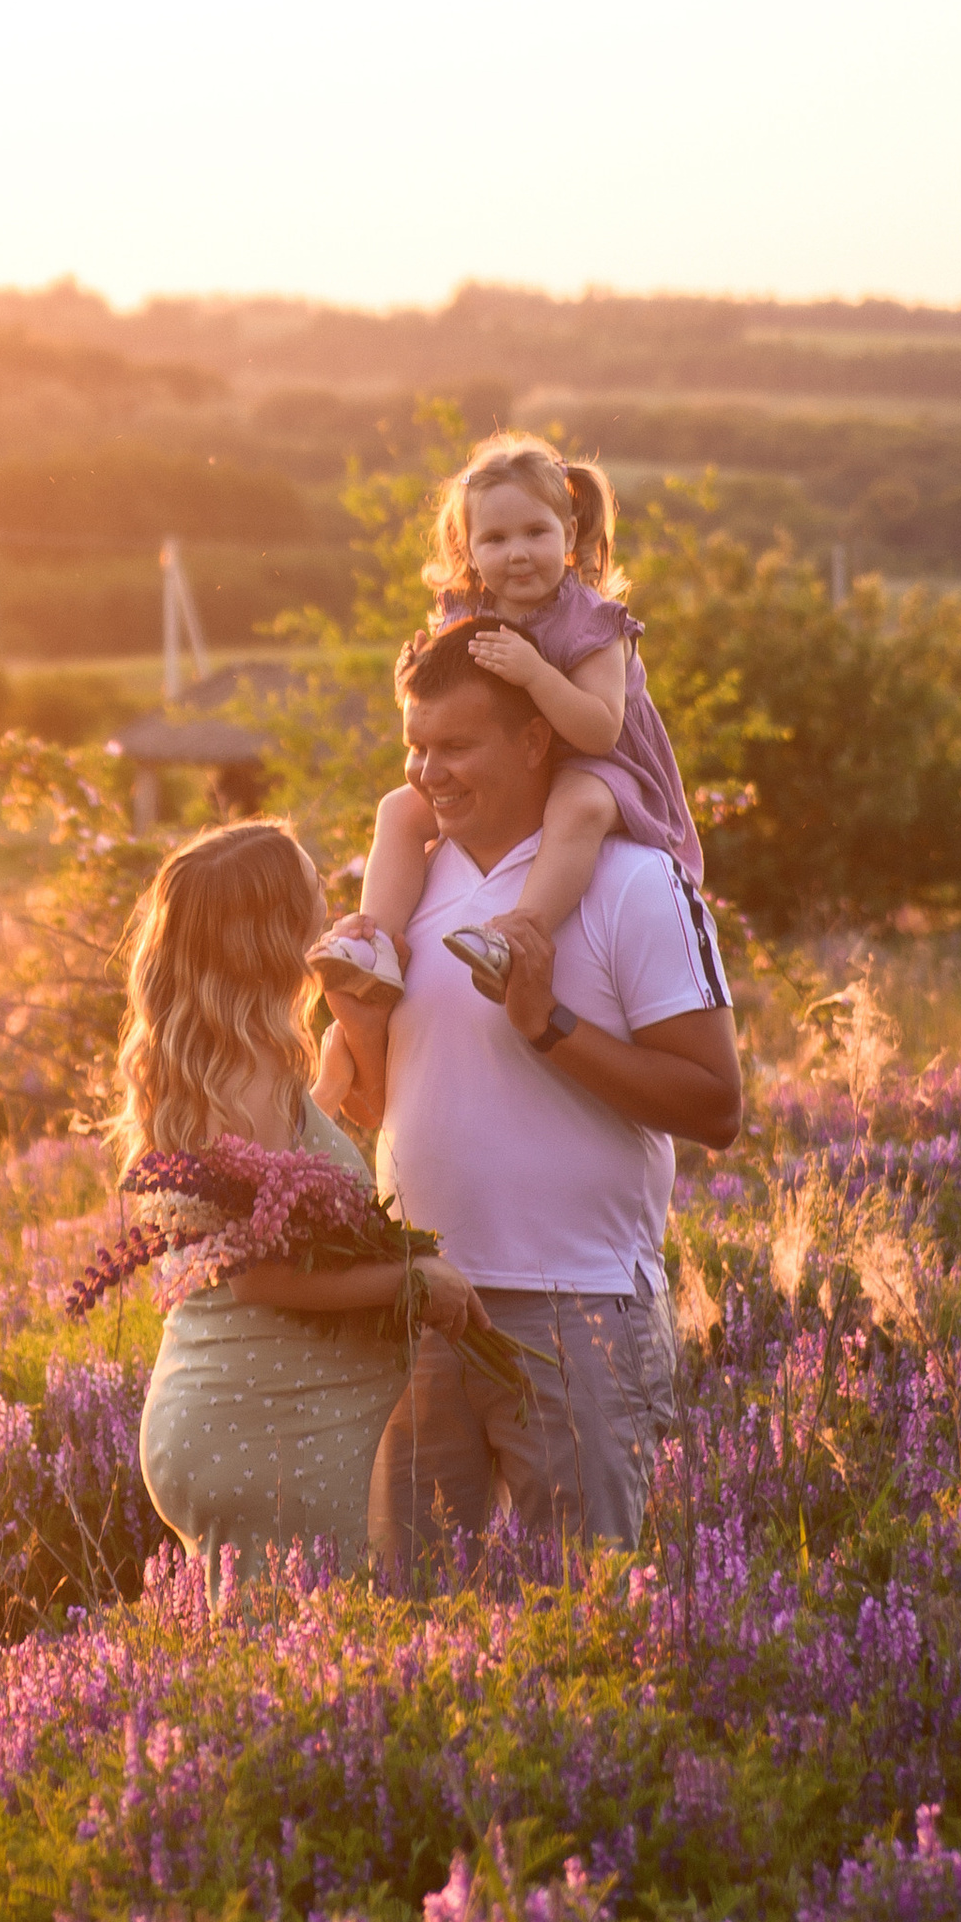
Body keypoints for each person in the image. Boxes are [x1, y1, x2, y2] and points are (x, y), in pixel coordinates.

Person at [324, 620, 741, 1565]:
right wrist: (358, 1032)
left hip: (579, 1312)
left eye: (456, 746)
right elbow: (382, 1109)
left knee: (582, 1631)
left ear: (534, 740)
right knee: (410, 1627)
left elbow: (719, 1106)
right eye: (416, 746)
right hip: (423, 1306)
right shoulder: (404, 892)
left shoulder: (634, 881)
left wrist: (547, 1023)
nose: (429, 772)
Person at [122, 817, 485, 1594]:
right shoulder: (248, 1081)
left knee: (260, 1669)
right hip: (271, 1427)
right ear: (270, 935)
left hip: (226, 1413)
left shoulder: (221, 1067)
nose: (326, 917)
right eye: (312, 905)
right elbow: (257, 1275)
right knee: (284, 1684)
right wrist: (416, 1280)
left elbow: (272, 1185)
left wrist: (322, 1086)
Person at [314, 434, 701, 1009]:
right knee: (399, 808)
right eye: (495, 539)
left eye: (535, 533)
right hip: (516, 762)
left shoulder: (594, 623)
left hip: (594, 761)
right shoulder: (469, 610)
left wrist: (536, 674)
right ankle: (377, 944)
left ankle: (517, 934)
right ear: (468, 549)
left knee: (579, 807)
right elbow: (453, 699)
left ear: (568, 535)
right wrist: (413, 680)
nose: (517, 553)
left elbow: (601, 729)